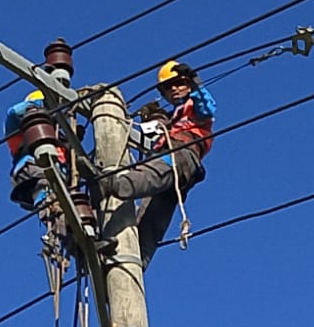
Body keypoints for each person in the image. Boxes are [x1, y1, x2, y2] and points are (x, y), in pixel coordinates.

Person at [81, 60, 216, 269]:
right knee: (151, 218)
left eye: (179, 83)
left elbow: (208, 106)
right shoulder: (171, 120)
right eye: (168, 87)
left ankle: (111, 184)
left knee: (150, 175)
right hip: (178, 173)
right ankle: (133, 264)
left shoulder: (195, 108)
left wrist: (196, 81)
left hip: (181, 157)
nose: (174, 89)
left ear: (188, 84)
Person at [5, 90, 66, 210]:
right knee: (46, 194)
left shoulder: (59, 137)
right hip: (33, 167)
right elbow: (13, 113)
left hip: (62, 181)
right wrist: (38, 105)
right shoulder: (21, 127)